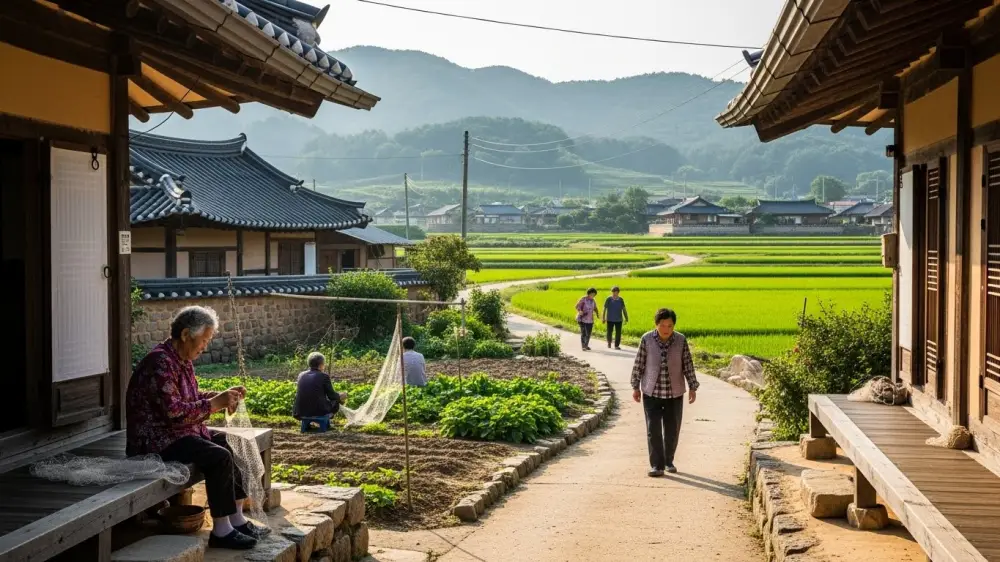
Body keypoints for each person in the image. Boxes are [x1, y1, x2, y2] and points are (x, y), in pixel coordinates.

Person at [126, 306, 266, 550]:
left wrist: (223, 397)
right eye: (204, 340)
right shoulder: (159, 362)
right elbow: (175, 413)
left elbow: (190, 397)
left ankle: (237, 518)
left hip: (179, 433)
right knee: (218, 456)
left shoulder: (181, 360)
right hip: (156, 440)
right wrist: (214, 404)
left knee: (233, 443)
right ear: (185, 335)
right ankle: (221, 530)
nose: (205, 346)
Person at [630, 308, 699, 477]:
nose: (666, 329)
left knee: (672, 429)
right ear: (656, 325)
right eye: (662, 325)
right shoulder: (646, 339)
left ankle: (669, 461)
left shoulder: (681, 340)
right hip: (651, 392)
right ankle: (656, 465)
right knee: (653, 429)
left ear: (674, 325)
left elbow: (687, 364)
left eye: (670, 326)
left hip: (674, 393)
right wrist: (635, 386)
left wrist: (693, 386)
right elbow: (639, 363)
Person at [293, 352, 347, 421]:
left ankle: (308, 423)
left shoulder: (301, 375)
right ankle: (327, 417)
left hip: (299, 413)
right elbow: (332, 396)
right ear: (321, 365)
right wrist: (341, 395)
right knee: (337, 399)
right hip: (319, 412)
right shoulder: (324, 376)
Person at [602, 285, 629, 350]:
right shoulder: (608, 299)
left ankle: (616, 345)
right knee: (609, 331)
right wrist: (603, 318)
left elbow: (624, 309)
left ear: (618, 292)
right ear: (612, 292)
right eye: (613, 292)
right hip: (610, 319)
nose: (615, 293)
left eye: (616, 292)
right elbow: (604, 309)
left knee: (618, 333)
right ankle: (609, 342)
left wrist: (626, 317)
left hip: (619, 319)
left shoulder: (621, 300)